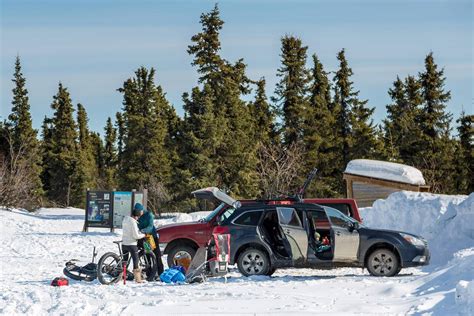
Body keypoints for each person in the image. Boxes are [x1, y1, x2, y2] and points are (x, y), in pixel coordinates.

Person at [135, 203, 165, 278]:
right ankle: (150, 273)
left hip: (152, 237)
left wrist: (142, 230)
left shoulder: (149, 215)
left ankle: (160, 273)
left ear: (142, 210)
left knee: (156, 255)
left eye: (139, 211)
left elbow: (150, 227)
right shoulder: (137, 215)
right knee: (147, 255)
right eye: (137, 212)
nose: (139, 214)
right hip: (143, 237)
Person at [122, 207, 145, 283]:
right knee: (135, 261)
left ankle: (123, 277)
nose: (138, 218)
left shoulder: (125, 220)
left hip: (124, 243)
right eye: (138, 217)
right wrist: (143, 235)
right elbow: (136, 236)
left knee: (125, 261)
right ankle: (138, 279)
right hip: (132, 245)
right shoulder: (133, 222)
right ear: (136, 216)